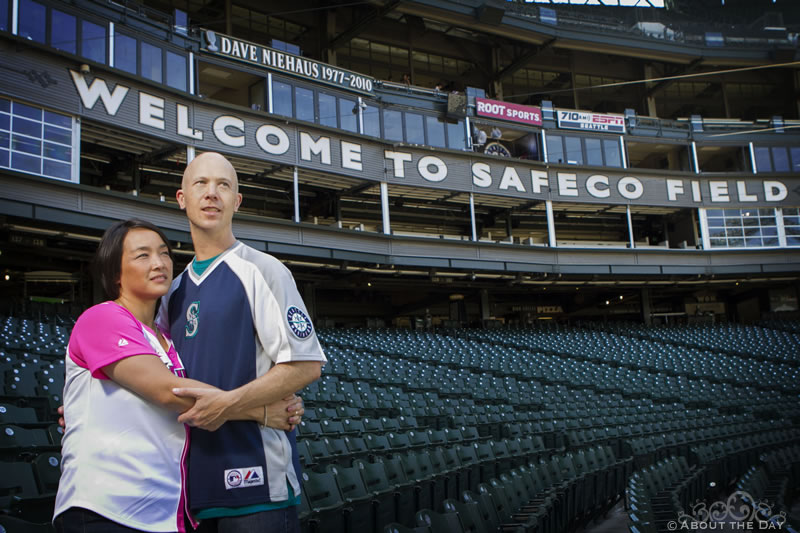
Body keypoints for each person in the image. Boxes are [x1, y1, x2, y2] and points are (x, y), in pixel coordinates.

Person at [53, 219, 303, 532]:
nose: (158, 263)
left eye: (164, 253)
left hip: (163, 511)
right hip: (106, 506)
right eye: (142, 256)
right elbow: (169, 392)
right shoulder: (102, 317)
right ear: (114, 273)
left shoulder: (167, 340)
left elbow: (188, 404)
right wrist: (262, 410)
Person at [158, 152, 326, 532]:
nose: (212, 193)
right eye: (201, 183)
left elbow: (305, 364)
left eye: (224, 185)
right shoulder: (172, 293)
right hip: (192, 488)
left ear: (237, 201)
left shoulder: (264, 271)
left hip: (256, 484)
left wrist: (229, 404)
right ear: (182, 198)